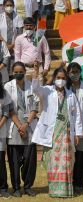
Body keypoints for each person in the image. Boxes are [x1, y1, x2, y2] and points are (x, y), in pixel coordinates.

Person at [32, 63, 83, 198]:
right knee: (52, 161)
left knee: (67, 162)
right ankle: (54, 190)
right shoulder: (47, 91)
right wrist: (37, 72)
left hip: (66, 134)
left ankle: (66, 190)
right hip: (52, 133)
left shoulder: (71, 95)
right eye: (58, 77)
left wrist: (78, 133)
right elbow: (35, 89)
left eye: (63, 78)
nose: (61, 80)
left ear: (66, 80)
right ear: (54, 78)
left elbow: (76, 115)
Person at [5, 61, 39, 197]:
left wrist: (26, 124)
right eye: (16, 72)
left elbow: (35, 106)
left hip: (29, 125)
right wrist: (20, 125)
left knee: (30, 159)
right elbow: (8, 109)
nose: (18, 73)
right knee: (14, 159)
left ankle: (28, 186)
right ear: (13, 73)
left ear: (25, 72)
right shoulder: (7, 86)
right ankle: (16, 187)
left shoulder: (31, 86)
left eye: (21, 71)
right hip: (14, 125)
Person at [66, 62, 83, 193]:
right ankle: (67, 183)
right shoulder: (65, 88)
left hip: (82, 128)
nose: (74, 74)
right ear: (68, 73)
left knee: (81, 156)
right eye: (72, 72)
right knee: (68, 157)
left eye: (77, 71)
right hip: (67, 129)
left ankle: (79, 183)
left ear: (80, 72)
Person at [14, 17, 51, 83]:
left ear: (34, 26)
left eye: (31, 25)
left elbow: (47, 52)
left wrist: (46, 68)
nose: (29, 27)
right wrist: (19, 68)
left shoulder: (40, 37)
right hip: (24, 69)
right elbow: (17, 54)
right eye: (27, 25)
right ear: (24, 26)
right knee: (25, 91)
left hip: (38, 68)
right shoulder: (19, 38)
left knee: (38, 91)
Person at [0, 0, 23, 80]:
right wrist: (6, 45)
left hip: (14, 48)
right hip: (2, 48)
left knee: (13, 71)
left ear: (14, 6)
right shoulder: (0, 17)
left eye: (11, 5)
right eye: (7, 5)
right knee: (3, 71)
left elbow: (20, 33)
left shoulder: (18, 17)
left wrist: (12, 45)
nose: (9, 7)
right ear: (3, 6)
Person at [0, 73, 12, 198]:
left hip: (0, 132)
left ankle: (2, 188)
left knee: (0, 161)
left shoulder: (4, 94)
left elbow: (6, 113)